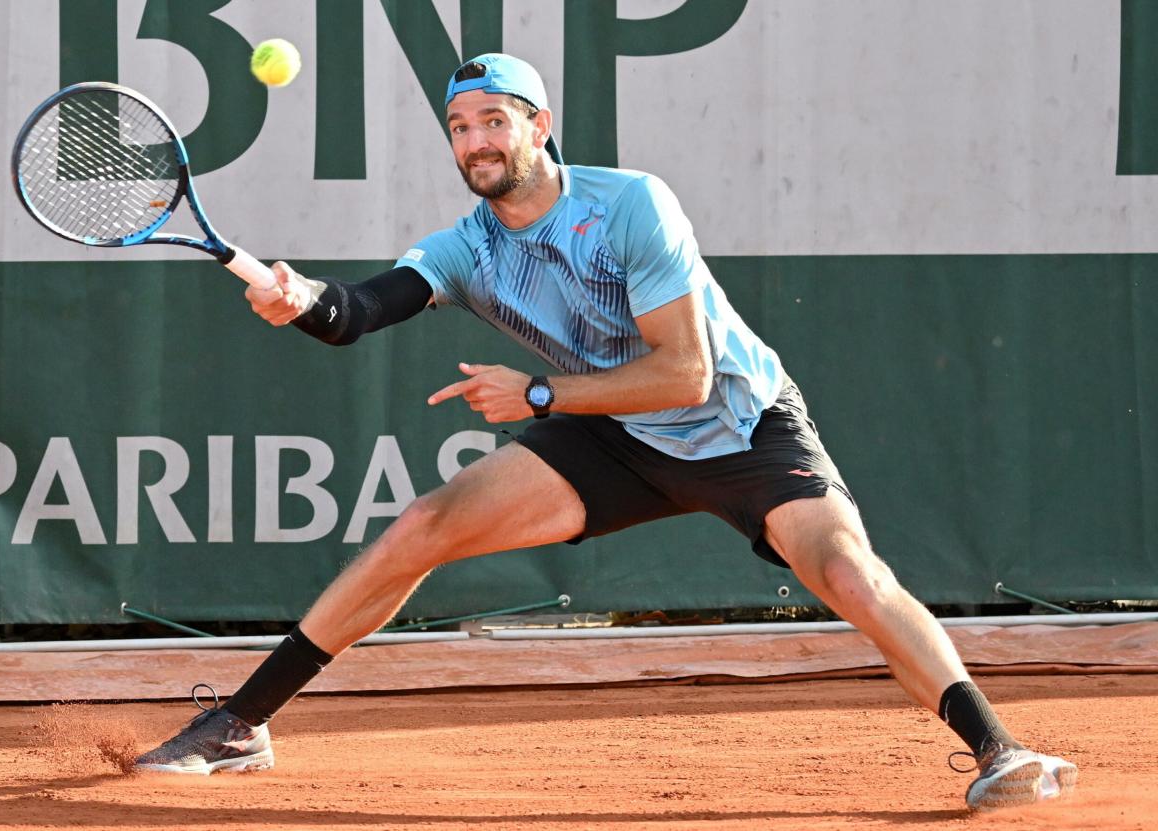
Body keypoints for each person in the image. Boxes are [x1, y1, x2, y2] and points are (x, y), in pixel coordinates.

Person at [135, 53, 1077, 811]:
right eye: (460, 128)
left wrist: (538, 395)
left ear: (540, 126)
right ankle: (241, 723)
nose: (476, 142)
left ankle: (1000, 748)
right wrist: (295, 296)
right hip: (615, 435)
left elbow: (686, 372)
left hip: (738, 423)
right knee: (424, 525)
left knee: (845, 574)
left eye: (495, 120)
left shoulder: (631, 203)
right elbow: (354, 311)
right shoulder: (467, 245)